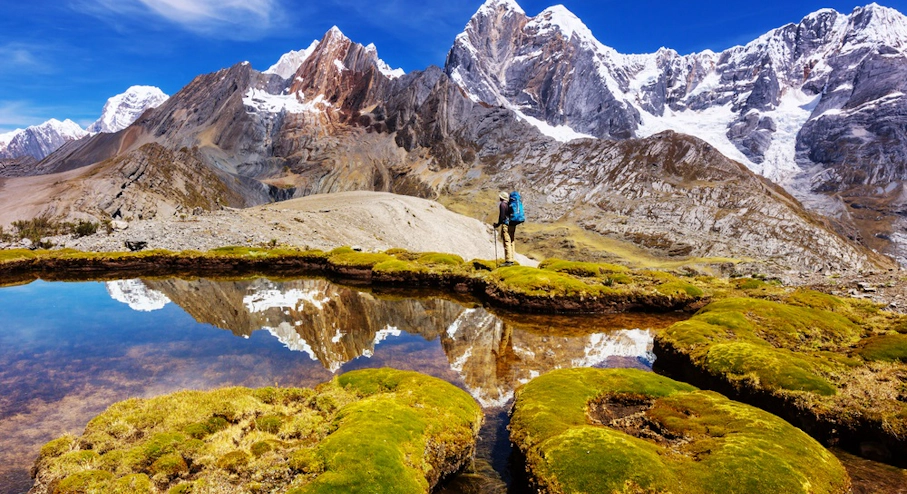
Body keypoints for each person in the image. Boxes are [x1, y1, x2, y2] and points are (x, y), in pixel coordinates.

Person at [494, 191, 518, 266]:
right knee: (511, 241)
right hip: (512, 224)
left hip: (506, 225)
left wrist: (497, 224)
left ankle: (508, 261)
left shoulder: (502, 204)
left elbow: (502, 217)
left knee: (507, 241)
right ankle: (512, 259)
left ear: (501, 197)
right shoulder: (510, 204)